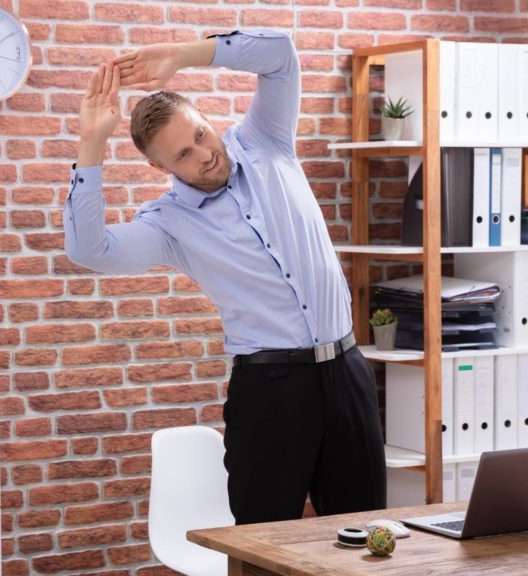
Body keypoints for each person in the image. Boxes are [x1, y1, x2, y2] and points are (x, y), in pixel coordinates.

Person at [63, 29, 386, 525]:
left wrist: (183, 54)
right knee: (262, 547)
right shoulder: (169, 224)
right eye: (182, 156)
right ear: (158, 167)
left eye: (199, 135)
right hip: (270, 391)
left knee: (363, 538)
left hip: (346, 370)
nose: (204, 154)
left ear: (206, 120)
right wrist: (93, 142)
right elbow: (90, 249)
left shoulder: (266, 141)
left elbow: (280, 55)